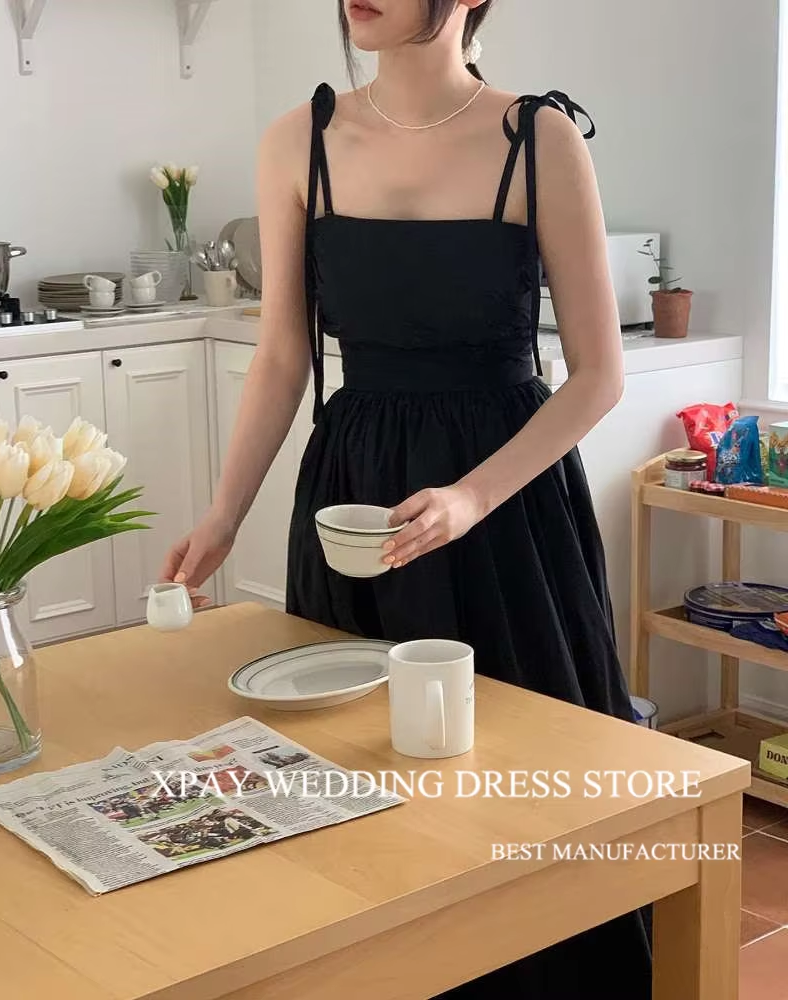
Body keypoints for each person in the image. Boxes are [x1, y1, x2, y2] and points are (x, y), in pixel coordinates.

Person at [160, 0, 652, 994]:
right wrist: (223, 513)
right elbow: (283, 357)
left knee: (529, 782)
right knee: (353, 769)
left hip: (507, 503)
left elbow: (598, 376)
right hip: (356, 493)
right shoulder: (297, 140)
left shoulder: (540, 139)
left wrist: (471, 498)